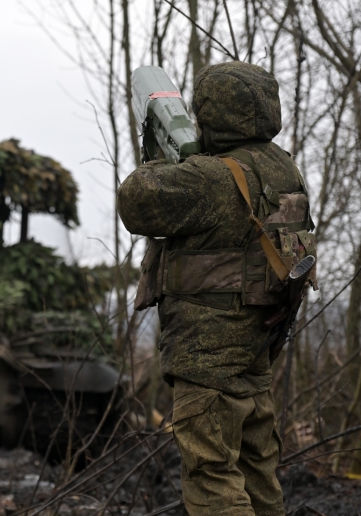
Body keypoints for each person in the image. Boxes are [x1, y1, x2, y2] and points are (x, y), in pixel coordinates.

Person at [117, 61, 316, 516]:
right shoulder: (286, 171)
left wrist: (164, 149)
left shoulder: (208, 177)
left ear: (213, 114)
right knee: (258, 476)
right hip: (256, 350)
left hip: (207, 361)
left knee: (212, 479)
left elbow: (136, 200)